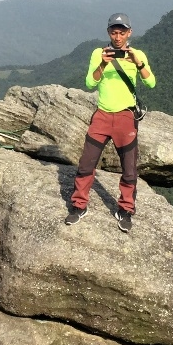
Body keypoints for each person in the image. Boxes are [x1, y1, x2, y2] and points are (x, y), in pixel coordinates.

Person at [65, 13, 155, 233]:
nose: (117, 37)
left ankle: (125, 210)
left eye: (122, 32)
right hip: (102, 116)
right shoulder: (99, 53)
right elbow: (89, 82)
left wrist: (138, 62)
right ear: (108, 33)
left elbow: (150, 82)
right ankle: (79, 206)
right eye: (114, 32)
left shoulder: (137, 54)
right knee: (87, 163)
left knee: (129, 169)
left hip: (125, 117)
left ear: (129, 33)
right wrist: (103, 65)